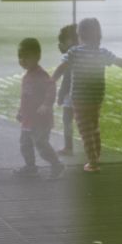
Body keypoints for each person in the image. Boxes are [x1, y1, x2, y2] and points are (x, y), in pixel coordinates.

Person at [51, 18, 122, 173]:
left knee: (85, 130)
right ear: (99, 36)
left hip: (80, 98)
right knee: (94, 127)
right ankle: (96, 155)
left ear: (80, 35)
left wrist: (51, 82)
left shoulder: (75, 52)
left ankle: (93, 162)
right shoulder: (102, 53)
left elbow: (61, 68)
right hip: (96, 98)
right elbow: (120, 62)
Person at [13, 38, 66, 179]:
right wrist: (20, 112)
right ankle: (30, 166)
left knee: (41, 144)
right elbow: (24, 97)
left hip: (41, 120)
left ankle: (56, 164)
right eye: (20, 57)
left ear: (36, 57)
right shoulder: (26, 77)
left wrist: (46, 104)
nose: (22, 60)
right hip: (28, 119)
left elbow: (51, 87)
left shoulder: (41, 75)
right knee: (25, 144)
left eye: (26, 57)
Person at [55, 23, 79, 156]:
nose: (60, 44)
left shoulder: (70, 55)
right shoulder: (84, 52)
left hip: (71, 96)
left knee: (67, 120)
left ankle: (68, 147)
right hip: (86, 95)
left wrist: (60, 94)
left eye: (62, 41)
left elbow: (67, 77)